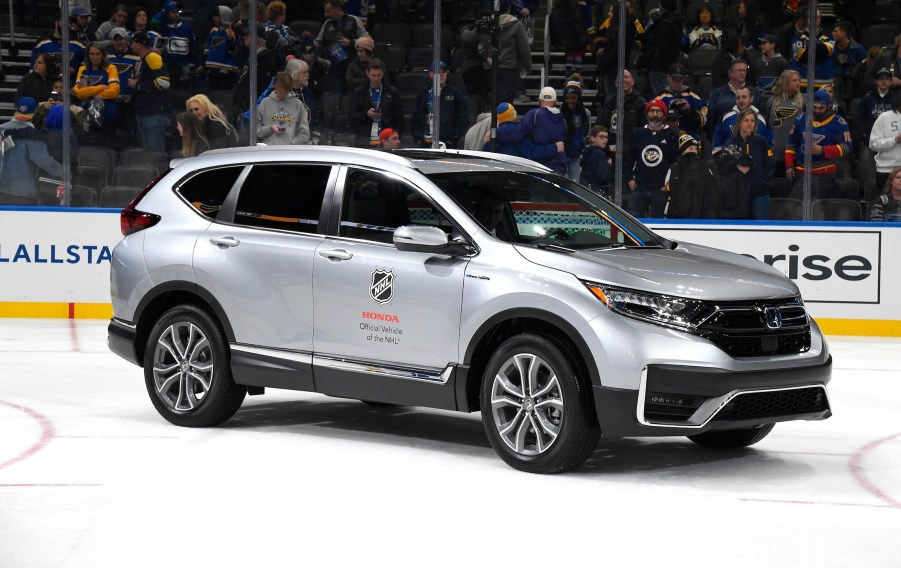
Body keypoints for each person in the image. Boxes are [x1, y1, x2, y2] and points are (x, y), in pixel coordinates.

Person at [785, 89, 852, 200]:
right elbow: (791, 145)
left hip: (825, 174)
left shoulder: (839, 122)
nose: (817, 111)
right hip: (801, 173)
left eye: (821, 108)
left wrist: (823, 150)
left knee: (818, 209)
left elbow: (847, 147)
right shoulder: (801, 118)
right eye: (814, 107)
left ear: (829, 106)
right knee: (794, 207)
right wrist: (789, 166)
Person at [0, 98, 66, 206]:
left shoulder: (1, 130)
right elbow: (46, 162)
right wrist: (66, 173)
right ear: (35, 112)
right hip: (23, 194)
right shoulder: (34, 136)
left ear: (16, 110)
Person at [624, 99, 680, 218]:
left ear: (664, 115)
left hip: (661, 188)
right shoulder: (637, 133)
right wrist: (629, 179)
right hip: (639, 186)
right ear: (647, 114)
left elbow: (676, 163)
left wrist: (668, 185)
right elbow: (628, 158)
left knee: (659, 223)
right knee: (633, 221)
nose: (655, 114)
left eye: (658, 111)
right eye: (652, 111)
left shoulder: (672, 135)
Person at [723, 108, 775, 219]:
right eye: (746, 120)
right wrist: (736, 166)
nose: (749, 124)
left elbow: (770, 164)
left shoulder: (761, 142)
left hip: (759, 194)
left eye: (752, 121)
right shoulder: (730, 144)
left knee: (760, 229)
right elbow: (723, 166)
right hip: (737, 194)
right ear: (739, 122)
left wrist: (763, 182)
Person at [591, 1, 642, 103]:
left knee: (613, 98)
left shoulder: (622, 29)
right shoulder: (618, 27)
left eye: (611, 11)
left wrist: (604, 58)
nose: (609, 14)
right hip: (613, 67)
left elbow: (616, 51)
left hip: (614, 68)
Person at [411, 61, 469, 149]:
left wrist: (453, 138)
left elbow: (463, 118)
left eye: (444, 72)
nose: (441, 75)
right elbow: (416, 117)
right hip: (426, 142)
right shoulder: (424, 93)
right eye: (438, 72)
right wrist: (418, 137)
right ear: (431, 74)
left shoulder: (455, 93)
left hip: (447, 144)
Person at [128, 30, 170, 151]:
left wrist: (139, 85)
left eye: (133, 42)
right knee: (147, 152)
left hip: (154, 113)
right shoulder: (144, 59)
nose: (131, 45)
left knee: (154, 153)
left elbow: (164, 83)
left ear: (139, 44)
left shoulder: (152, 57)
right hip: (145, 111)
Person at [315, 0, 367, 95]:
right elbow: (318, 42)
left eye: (328, 11)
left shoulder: (354, 20)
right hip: (333, 70)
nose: (325, 14)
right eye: (325, 11)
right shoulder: (327, 23)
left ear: (338, 9)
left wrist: (351, 42)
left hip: (352, 68)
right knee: (336, 99)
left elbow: (368, 41)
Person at [348, 58, 403, 148]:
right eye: (373, 75)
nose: (376, 78)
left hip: (386, 140)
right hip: (364, 139)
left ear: (383, 73)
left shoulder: (392, 92)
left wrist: (394, 136)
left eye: (379, 75)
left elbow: (399, 117)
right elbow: (351, 116)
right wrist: (366, 114)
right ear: (367, 73)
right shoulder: (359, 92)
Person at [73, 41, 121, 145]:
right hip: (87, 116)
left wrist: (89, 91)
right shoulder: (83, 69)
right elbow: (78, 93)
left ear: (103, 55)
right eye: (92, 54)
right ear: (88, 55)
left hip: (108, 116)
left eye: (98, 54)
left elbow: (114, 92)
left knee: (107, 146)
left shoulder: (111, 68)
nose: (95, 57)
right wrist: (101, 87)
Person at [664, 134, 718, 219]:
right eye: (690, 148)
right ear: (682, 151)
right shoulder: (674, 168)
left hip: (700, 217)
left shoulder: (705, 167)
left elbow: (710, 192)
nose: (694, 151)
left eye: (696, 149)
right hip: (677, 218)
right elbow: (669, 193)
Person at [151, 1, 201, 92]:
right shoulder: (162, 26)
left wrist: (194, 64)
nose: (177, 14)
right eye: (173, 12)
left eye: (178, 11)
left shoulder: (187, 27)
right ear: (166, 13)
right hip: (167, 68)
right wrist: (163, 13)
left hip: (183, 69)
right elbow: (153, 22)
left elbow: (193, 47)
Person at [764, 69, 804, 181]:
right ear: (785, 83)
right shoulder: (771, 101)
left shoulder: (804, 101)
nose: (798, 83)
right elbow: (766, 126)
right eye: (794, 80)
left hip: (794, 154)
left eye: (799, 80)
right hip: (775, 152)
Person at [638, 0, 683, 97]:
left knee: (662, 97)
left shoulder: (665, 24)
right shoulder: (675, 21)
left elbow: (658, 45)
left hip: (660, 68)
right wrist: (656, 20)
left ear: (662, 7)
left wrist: (654, 64)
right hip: (669, 64)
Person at [597, 69, 646, 158]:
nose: (623, 80)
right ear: (616, 83)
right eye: (620, 78)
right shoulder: (609, 101)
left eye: (626, 77)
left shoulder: (641, 103)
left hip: (632, 152)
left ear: (633, 81)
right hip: (611, 150)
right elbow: (602, 124)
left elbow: (644, 128)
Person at [654, 63, 708, 144]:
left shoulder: (694, 96)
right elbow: (653, 122)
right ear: (668, 77)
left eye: (679, 79)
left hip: (690, 139)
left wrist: (690, 112)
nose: (677, 82)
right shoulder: (659, 98)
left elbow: (703, 121)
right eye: (674, 79)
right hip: (665, 139)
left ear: (683, 79)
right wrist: (669, 111)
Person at [712, 85, 772, 155]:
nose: (741, 100)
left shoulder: (762, 119)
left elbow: (769, 145)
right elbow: (717, 143)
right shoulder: (725, 117)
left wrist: (768, 161)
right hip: (731, 162)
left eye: (744, 97)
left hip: (757, 163)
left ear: (751, 99)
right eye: (738, 98)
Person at [493, 0, 532, 105]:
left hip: (492, 67)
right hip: (509, 67)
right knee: (506, 101)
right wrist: (527, 65)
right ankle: (504, 120)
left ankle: (495, 120)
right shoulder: (517, 25)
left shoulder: (491, 23)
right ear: (510, 8)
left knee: (495, 100)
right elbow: (524, 48)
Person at [255, 71, 310, 146]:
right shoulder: (265, 103)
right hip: (269, 152)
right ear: (275, 87)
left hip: (290, 152)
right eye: (281, 91)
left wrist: (291, 144)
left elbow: (305, 134)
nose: (283, 94)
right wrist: (270, 128)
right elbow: (255, 130)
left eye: (286, 91)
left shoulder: (298, 104)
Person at [707, 59, 755, 141]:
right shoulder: (717, 94)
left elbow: (762, 118)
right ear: (730, 73)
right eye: (739, 70)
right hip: (724, 141)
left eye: (744, 70)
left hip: (751, 142)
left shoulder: (754, 92)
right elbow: (710, 122)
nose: (743, 73)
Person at [790, 6, 834, 93]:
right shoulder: (798, 35)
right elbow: (800, 55)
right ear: (806, 19)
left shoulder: (828, 35)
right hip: (802, 82)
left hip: (824, 82)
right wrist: (819, 47)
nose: (814, 19)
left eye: (817, 17)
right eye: (811, 17)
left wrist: (808, 45)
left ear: (820, 19)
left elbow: (828, 51)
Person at [30, 12, 86, 78]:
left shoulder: (79, 44)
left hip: (73, 84)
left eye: (69, 23)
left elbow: (87, 66)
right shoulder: (41, 44)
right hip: (48, 85)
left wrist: (76, 71)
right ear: (56, 22)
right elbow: (33, 69)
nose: (67, 25)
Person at [869, 92, 901, 191]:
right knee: (886, 204)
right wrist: (895, 139)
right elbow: (873, 144)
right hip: (886, 169)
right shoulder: (884, 117)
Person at [561, 77, 591, 181]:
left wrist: (582, 144)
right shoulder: (559, 113)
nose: (570, 101)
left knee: (575, 183)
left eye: (573, 97)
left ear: (579, 98)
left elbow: (588, 132)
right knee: (562, 183)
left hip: (576, 155)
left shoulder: (585, 113)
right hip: (562, 155)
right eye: (567, 98)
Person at [549, 0, 589, 78]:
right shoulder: (576, 5)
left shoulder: (560, 5)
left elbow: (554, 18)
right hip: (576, 34)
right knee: (578, 55)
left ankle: (568, 77)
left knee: (570, 55)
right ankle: (577, 77)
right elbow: (577, 20)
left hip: (566, 35)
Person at [831, 21, 867, 106]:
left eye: (836, 31)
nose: (832, 33)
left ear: (843, 33)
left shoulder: (859, 49)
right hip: (835, 77)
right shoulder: (830, 47)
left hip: (852, 78)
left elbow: (864, 66)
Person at [204, 6, 239, 90]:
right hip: (212, 68)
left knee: (224, 94)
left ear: (223, 16)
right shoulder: (213, 30)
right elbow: (208, 49)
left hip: (226, 70)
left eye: (216, 16)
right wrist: (203, 64)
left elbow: (232, 51)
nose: (213, 18)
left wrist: (230, 39)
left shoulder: (232, 32)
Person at [579, 125, 612, 197]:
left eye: (606, 137)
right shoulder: (599, 154)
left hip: (586, 190)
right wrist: (608, 166)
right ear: (593, 138)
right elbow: (603, 178)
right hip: (595, 192)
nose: (605, 140)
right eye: (601, 137)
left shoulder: (587, 151)